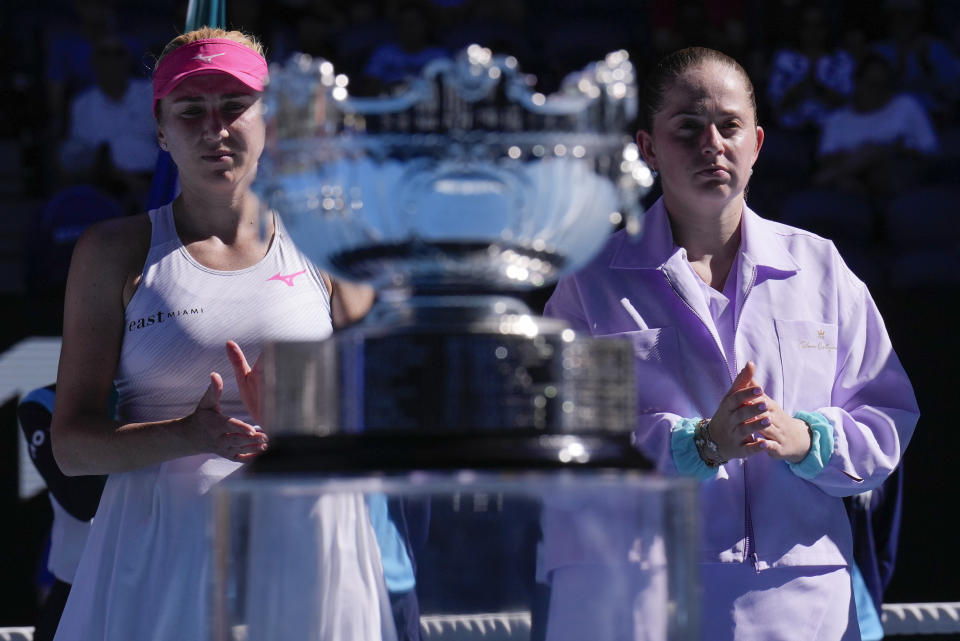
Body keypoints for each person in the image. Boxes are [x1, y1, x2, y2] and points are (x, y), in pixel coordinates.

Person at [544, 47, 919, 640]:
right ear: (647, 149)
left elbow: (886, 417)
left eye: (729, 126)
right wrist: (699, 443)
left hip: (800, 608)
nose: (711, 144)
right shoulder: (590, 280)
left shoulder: (821, 267)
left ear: (757, 144)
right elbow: (567, 438)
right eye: (688, 129)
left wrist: (806, 439)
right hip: (641, 600)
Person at [50, 27, 374, 641]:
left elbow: (389, 417)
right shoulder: (112, 252)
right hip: (161, 555)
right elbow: (71, 445)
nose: (213, 127)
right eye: (190, 110)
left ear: (269, 121)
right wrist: (187, 434)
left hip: (308, 539)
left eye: (234, 106)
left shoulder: (332, 242)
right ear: (161, 130)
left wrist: (301, 424)